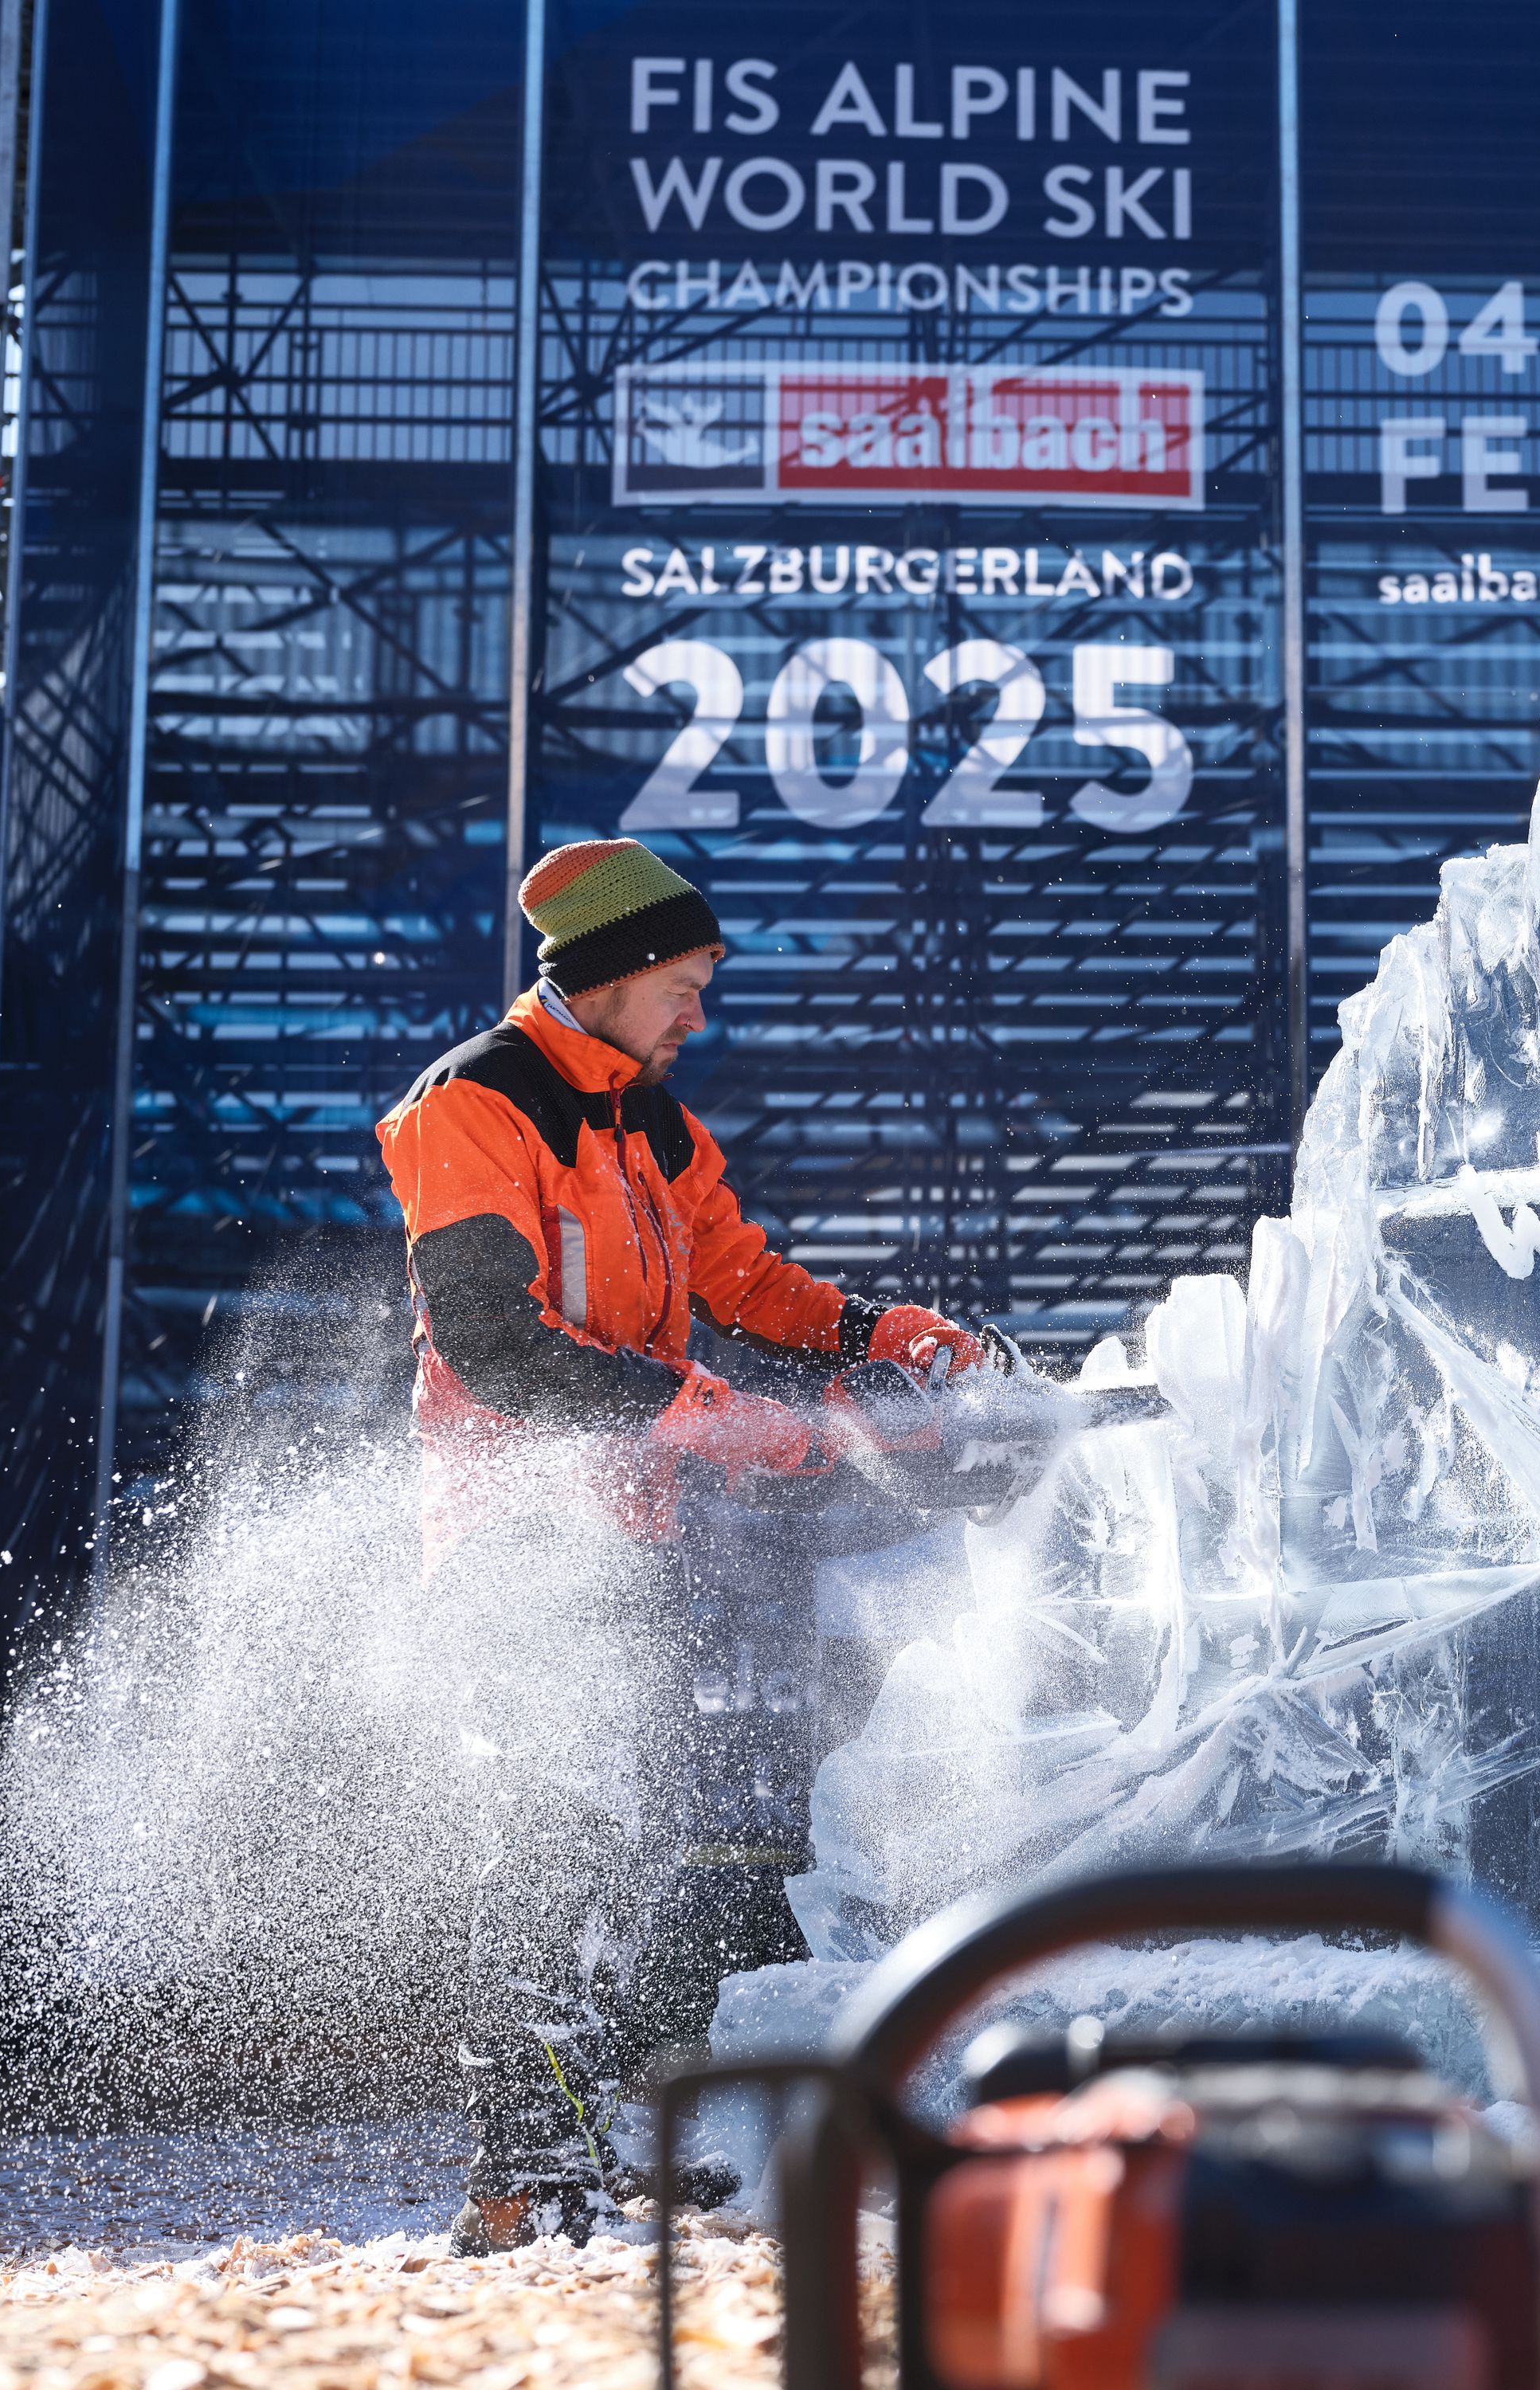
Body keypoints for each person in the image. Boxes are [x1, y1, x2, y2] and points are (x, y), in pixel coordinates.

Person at [376, 838, 989, 2251]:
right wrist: (703, 1415)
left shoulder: (646, 1123)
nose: (698, 1015)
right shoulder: (475, 1106)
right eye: (684, 986)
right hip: (513, 1530)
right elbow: (493, 1341)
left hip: (623, 1529)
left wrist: (876, 1333)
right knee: (561, 1831)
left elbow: (745, 1280)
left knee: (641, 1841)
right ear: (608, 974)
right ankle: (522, 2175)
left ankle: (598, 2143)